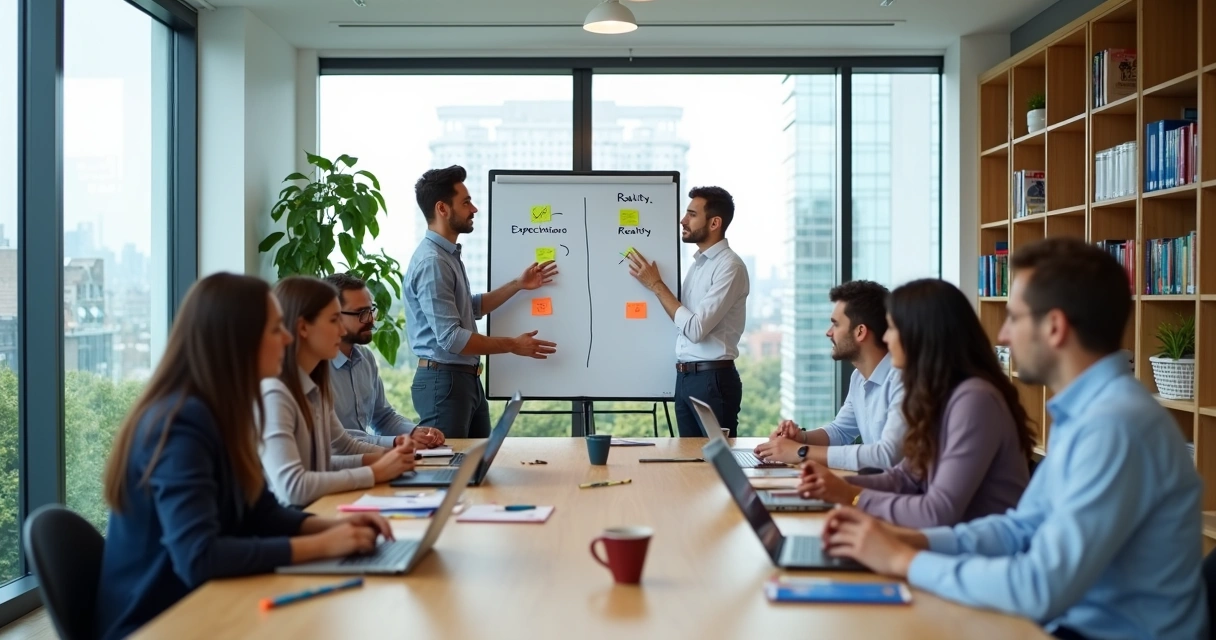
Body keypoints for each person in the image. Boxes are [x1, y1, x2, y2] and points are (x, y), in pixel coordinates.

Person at [819, 238, 1205, 640]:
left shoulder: (1116, 427)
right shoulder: (1089, 414)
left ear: (1054, 327)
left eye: (1014, 318)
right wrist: (911, 540)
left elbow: (1040, 587)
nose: (1002, 335)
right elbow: (1018, 529)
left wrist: (903, 559)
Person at [96, 273, 395, 640]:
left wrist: (338, 528)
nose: (287, 338)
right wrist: (322, 545)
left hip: (202, 603)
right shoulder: (180, 424)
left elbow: (261, 512)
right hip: (160, 621)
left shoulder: (222, 411)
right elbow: (199, 557)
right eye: (274, 330)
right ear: (237, 341)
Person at [795, 278, 1033, 528]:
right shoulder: (937, 393)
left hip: (979, 555)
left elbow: (937, 512)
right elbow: (905, 477)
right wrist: (835, 486)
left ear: (919, 335)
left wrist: (851, 496)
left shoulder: (975, 400)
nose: (886, 337)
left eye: (893, 328)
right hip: (946, 544)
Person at [406, 165, 558, 438]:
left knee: (475, 468)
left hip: (462, 380)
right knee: (449, 472)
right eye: (465, 203)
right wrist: (513, 345)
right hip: (446, 382)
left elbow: (471, 308)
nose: (473, 209)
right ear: (443, 209)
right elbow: (452, 338)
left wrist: (518, 285)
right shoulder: (434, 262)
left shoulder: (447, 256)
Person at [260, 276, 417, 508]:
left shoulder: (314, 385)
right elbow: (293, 487)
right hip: (288, 521)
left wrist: (390, 458)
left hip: (312, 511)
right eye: (335, 320)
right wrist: (374, 472)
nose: (342, 330)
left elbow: (340, 450)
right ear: (303, 327)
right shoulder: (275, 392)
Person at [626, 186, 750, 437]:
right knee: (691, 464)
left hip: (711, 381)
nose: (683, 220)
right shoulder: (699, 265)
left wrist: (656, 285)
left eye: (692, 214)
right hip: (686, 379)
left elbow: (695, 329)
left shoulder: (730, 267)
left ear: (715, 222)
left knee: (715, 466)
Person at [754, 280, 907, 471]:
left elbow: (887, 455)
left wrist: (800, 451)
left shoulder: (903, 379)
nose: (828, 333)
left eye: (835, 325)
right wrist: (801, 438)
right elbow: (840, 431)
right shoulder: (859, 378)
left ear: (860, 331)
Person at [324, 272, 445, 449]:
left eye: (371, 310)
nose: (371, 319)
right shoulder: (314, 367)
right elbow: (335, 439)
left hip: (369, 460)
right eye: (361, 313)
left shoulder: (365, 359)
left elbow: (383, 418)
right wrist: (397, 442)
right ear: (333, 316)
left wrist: (416, 432)